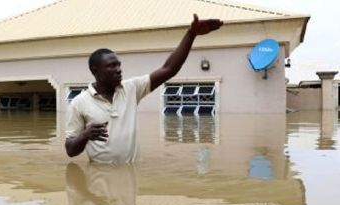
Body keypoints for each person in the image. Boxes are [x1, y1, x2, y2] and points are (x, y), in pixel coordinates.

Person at [65, 14, 223, 163]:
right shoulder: (79, 103)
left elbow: (169, 70)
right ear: (95, 71)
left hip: (129, 180)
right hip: (98, 180)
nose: (119, 69)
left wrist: (191, 34)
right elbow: (70, 150)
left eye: (119, 64)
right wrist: (85, 135)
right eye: (111, 66)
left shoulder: (131, 88)